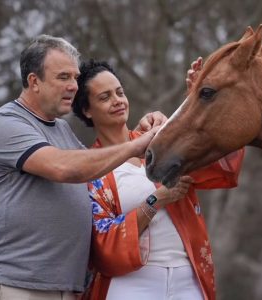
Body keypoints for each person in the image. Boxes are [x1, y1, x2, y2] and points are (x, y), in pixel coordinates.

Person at [0, 35, 167, 300]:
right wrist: (133, 146)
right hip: (17, 284)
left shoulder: (61, 129)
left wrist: (144, 132)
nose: (73, 86)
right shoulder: (5, 123)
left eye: (75, 78)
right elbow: (63, 168)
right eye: (63, 77)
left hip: (65, 288)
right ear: (34, 81)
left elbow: (103, 165)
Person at [71, 59, 245, 300]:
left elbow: (219, 159)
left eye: (120, 92)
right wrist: (155, 201)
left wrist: (202, 97)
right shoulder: (91, 170)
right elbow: (102, 244)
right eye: (104, 97)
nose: (117, 101)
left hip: (188, 277)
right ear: (87, 110)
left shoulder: (159, 144)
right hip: (131, 283)